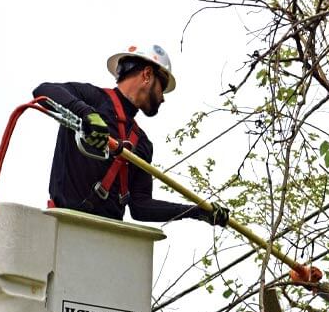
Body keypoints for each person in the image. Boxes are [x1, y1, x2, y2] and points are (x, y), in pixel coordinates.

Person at [33, 43, 229, 227]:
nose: (162, 98)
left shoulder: (141, 143)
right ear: (147, 75)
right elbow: (43, 91)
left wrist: (196, 211)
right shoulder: (93, 99)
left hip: (109, 234)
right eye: (162, 87)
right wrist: (87, 114)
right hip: (63, 224)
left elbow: (140, 207)